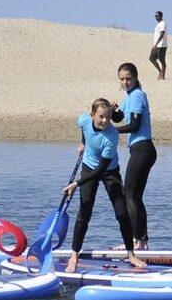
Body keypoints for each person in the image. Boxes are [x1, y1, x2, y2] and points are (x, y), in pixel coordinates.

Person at [63, 98, 147, 272]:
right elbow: (84, 129)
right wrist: (84, 143)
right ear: (92, 115)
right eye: (101, 116)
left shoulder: (112, 136)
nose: (105, 121)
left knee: (122, 212)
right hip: (88, 167)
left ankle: (131, 254)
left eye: (108, 117)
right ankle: (74, 255)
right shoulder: (83, 120)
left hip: (108, 171)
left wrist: (76, 183)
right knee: (84, 211)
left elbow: (101, 168)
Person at [112, 62, 156, 250]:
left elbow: (134, 126)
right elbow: (121, 117)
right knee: (134, 197)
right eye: (122, 79)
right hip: (140, 150)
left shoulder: (137, 95)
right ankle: (141, 241)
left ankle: (136, 241)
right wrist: (114, 112)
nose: (125, 82)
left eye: (128, 78)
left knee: (129, 196)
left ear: (136, 78)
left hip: (142, 149)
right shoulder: (130, 96)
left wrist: (112, 131)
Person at [148, 11, 168, 80]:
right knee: (151, 58)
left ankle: (163, 76)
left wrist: (156, 43)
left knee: (162, 60)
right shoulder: (158, 24)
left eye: (157, 16)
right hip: (157, 45)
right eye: (155, 16)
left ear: (161, 16)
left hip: (161, 45)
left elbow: (162, 34)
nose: (156, 17)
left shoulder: (163, 24)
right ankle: (160, 71)